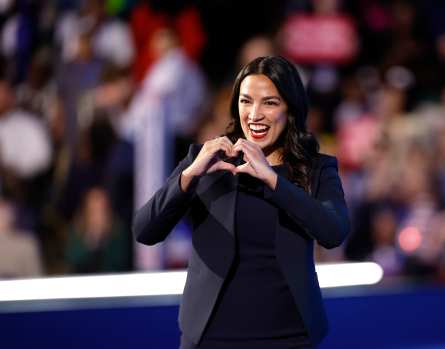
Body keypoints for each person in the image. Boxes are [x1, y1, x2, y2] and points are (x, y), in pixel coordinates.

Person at [132, 56, 350, 349]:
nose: (254, 114)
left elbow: (333, 231)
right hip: (211, 336)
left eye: (270, 103)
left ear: (291, 109)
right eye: (246, 101)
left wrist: (274, 181)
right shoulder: (208, 161)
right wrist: (189, 175)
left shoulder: (317, 168)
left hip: (289, 337)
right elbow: (145, 231)